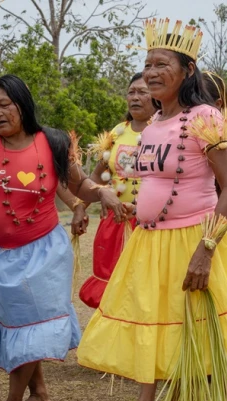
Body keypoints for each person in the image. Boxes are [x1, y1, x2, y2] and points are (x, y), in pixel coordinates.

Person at [77, 19, 227, 401]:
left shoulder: (204, 117)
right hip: (150, 243)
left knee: (186, 343)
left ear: (187, 69)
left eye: (163, 64)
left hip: (193, 241)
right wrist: (127, 207)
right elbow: (157, 182)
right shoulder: (155, 122)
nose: (152, 72)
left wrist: (206, 248)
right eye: (147, 64)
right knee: (165, 337)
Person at [0, 74, 125, 401]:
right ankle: (40, 392)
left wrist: (101, 193)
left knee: (32, 325)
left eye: (5, 104)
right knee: (18, 325)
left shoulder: (52, 142)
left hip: (43, 251)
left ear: (22, 103)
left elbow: (79, 183)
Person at [79, 72, 155, 310]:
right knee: (112, 290)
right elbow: (94, 179)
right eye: (131, 92)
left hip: (150, 224)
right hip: (115, 222)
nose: (135, 97)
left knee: (144, 289)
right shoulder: (117, 133)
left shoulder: (166, 131)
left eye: (143, 92)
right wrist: (80, 207)